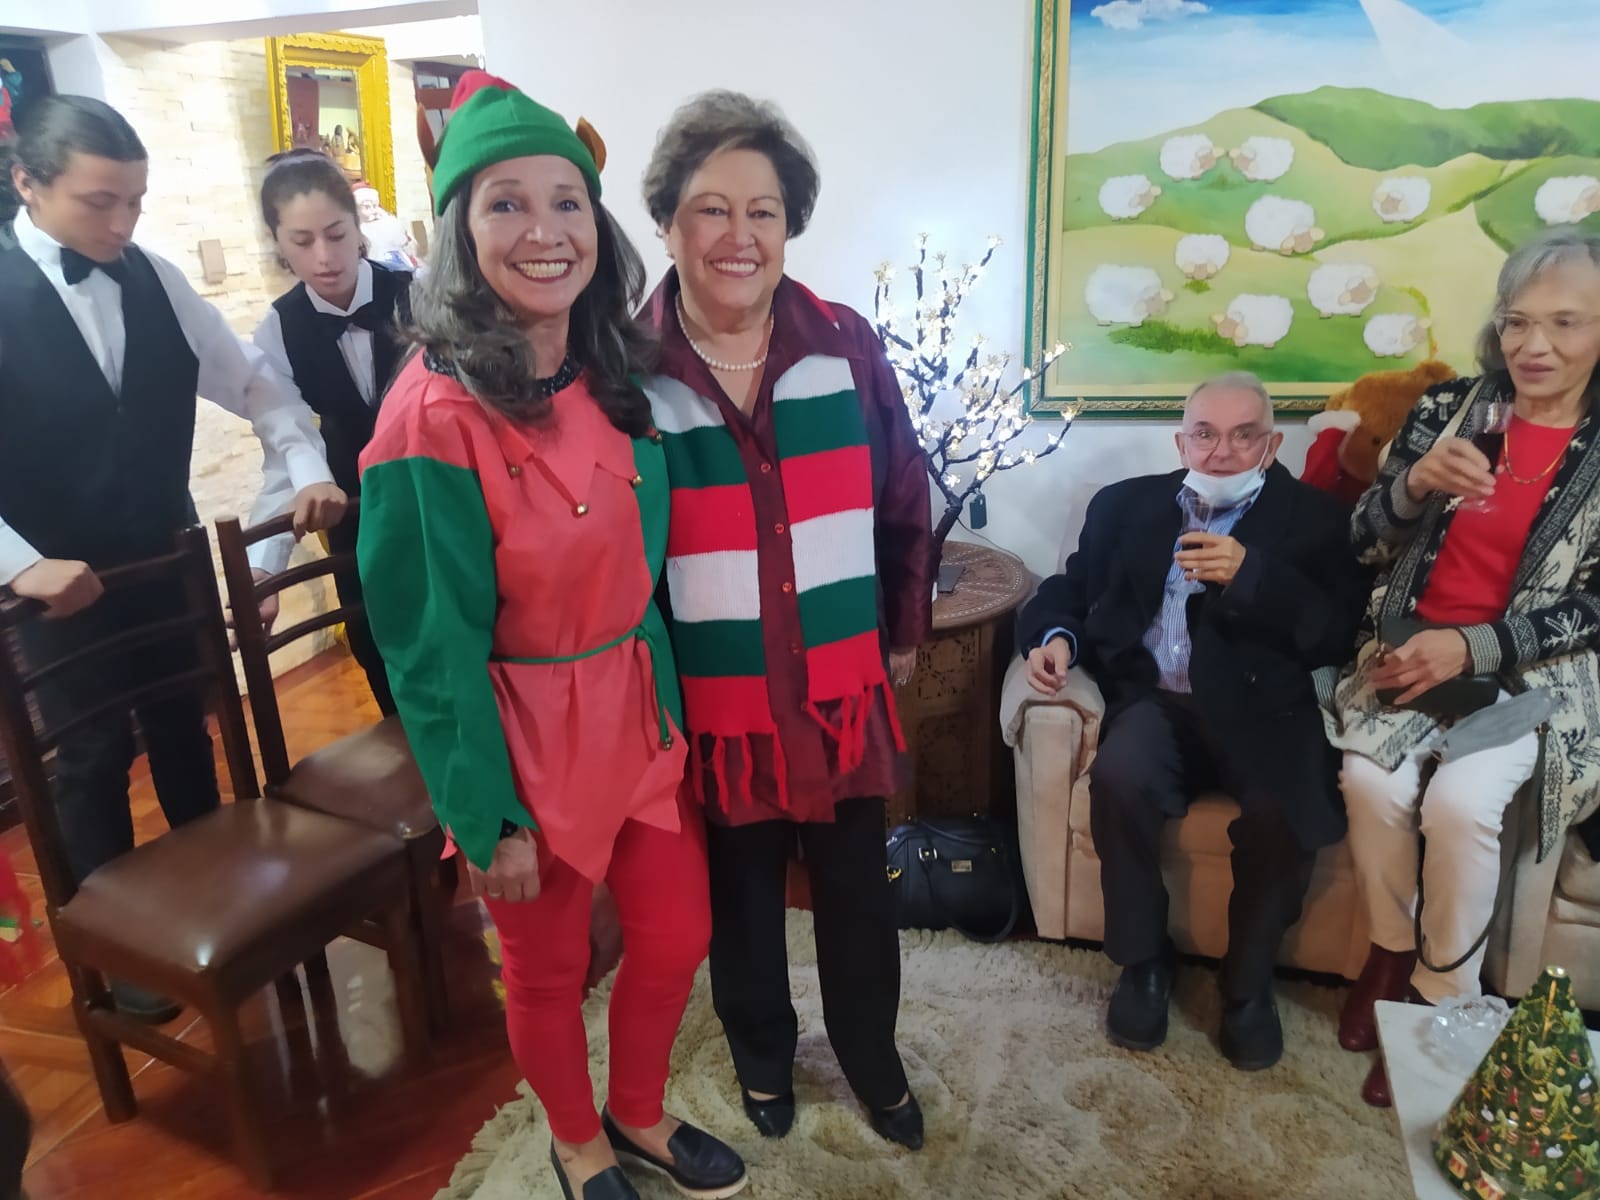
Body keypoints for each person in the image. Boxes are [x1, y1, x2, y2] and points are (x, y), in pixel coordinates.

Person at [356, 72, 746, 1200]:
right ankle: (577, 1143)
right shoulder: (429, 417)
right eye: (507, 204)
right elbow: (427, 648)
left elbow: (641, 572)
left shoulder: (614, 372)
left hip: (636, 715)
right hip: (520, 741)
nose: (545, 231)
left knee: (674, 936)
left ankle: (638, 1112)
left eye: (567, 201)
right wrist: (484, 816)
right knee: (547, 971)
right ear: (457, 232)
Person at [0, 96, 345, 1022]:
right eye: (99, 202)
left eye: (135, 203)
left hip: (164, 551)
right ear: (27, 183)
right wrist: (17, 563)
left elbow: (256, 385)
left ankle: (217, 903)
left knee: (187, 726)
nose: (121, 224)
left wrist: (306, 463)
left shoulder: (152, 275)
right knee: (92, 755)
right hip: (52, 585)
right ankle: (118, 949)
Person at [639, 90, 933, 1149]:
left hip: (836, 685)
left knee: (858, 894)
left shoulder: (843, 344)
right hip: (715, 699)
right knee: (742, 900)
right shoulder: (628, 372)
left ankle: (873, 1062)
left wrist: (903, 627)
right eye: (711, 209)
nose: (739, 235)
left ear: (789, 224)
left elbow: (903, 490)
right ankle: (762, 1057)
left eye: (761, 211)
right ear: (667, 223)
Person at [1018, 372, 1367, 1071]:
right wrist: (1054, 638)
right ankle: (1144, 963)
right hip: (1158, 703)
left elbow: (1335, 633)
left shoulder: (1320, 520)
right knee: (1119, 777)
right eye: (1205, 434)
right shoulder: (1125, 505)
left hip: (1266, 711)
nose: (1222, 451)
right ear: (1182, 442)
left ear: (1271, 445)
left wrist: (1253, 576)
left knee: (1282, 812)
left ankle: (1247, 986)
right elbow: (1071, 588)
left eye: (1243, 435)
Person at [1328, 228, 1600, 1108]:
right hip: (1408, 644)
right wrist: (1412, 490)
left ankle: (1440, 997)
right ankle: (1388, 950)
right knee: (1370, 783)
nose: (1533, 345)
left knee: (1461, 802)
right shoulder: (1450, 408)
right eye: (1517, 321)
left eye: (1564, 323)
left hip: (1533, 675)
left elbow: (1595, 610)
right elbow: (1363, 541)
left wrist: (1476, 645)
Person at [252, 151, 411, 714]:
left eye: (336, 234)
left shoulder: (423, 294)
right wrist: (265, 567)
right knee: (375, 651)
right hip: (355, 524)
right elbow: (286, 451)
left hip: (442, 505)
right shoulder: (277, 330)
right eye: (302, 241)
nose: (323, 257)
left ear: (357, 225)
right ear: (277, 242)